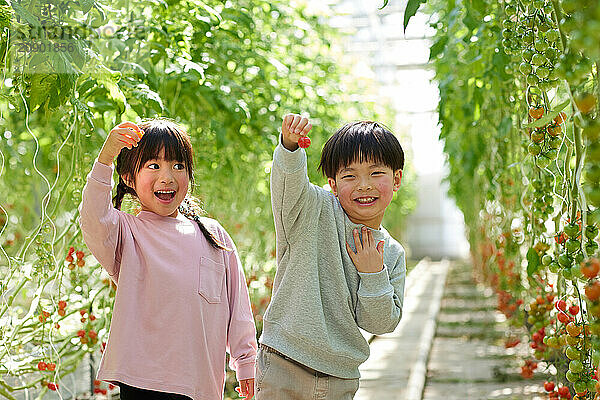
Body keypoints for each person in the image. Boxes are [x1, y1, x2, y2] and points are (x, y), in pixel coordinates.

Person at [78, 119, 257, 400]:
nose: (167, 177)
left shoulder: (213, 234)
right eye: (153, 166)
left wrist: (247, 361)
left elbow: (238, 306)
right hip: (143, 383)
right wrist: (106, 157)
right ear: (128, 177)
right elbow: (93, 216)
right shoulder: (125, 233)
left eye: (178, 166)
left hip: (201, 385)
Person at [255, 114, 406, 399]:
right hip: (283, 363)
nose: (364, 185)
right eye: (350, 176)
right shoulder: (313, 209)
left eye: (376, 173)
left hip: (340, 378)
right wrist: (290, 147)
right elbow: (287, 187)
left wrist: (373, 274)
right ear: (333, 185)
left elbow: (381, 324)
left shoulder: (392, 252)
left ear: (396, 179)